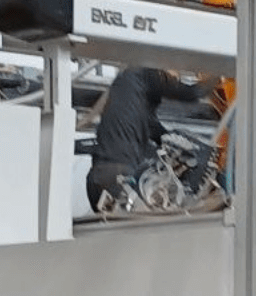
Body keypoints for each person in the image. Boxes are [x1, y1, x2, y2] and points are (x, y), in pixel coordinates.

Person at [85, 67, 207, 212]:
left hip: (97, 179)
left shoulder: (128, 91)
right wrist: (216, 76)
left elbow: (156, 131)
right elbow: (191, 93)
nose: (176, 78)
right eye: (175, 73)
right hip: (119, 175)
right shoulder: (144, 72)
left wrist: (180, 143)